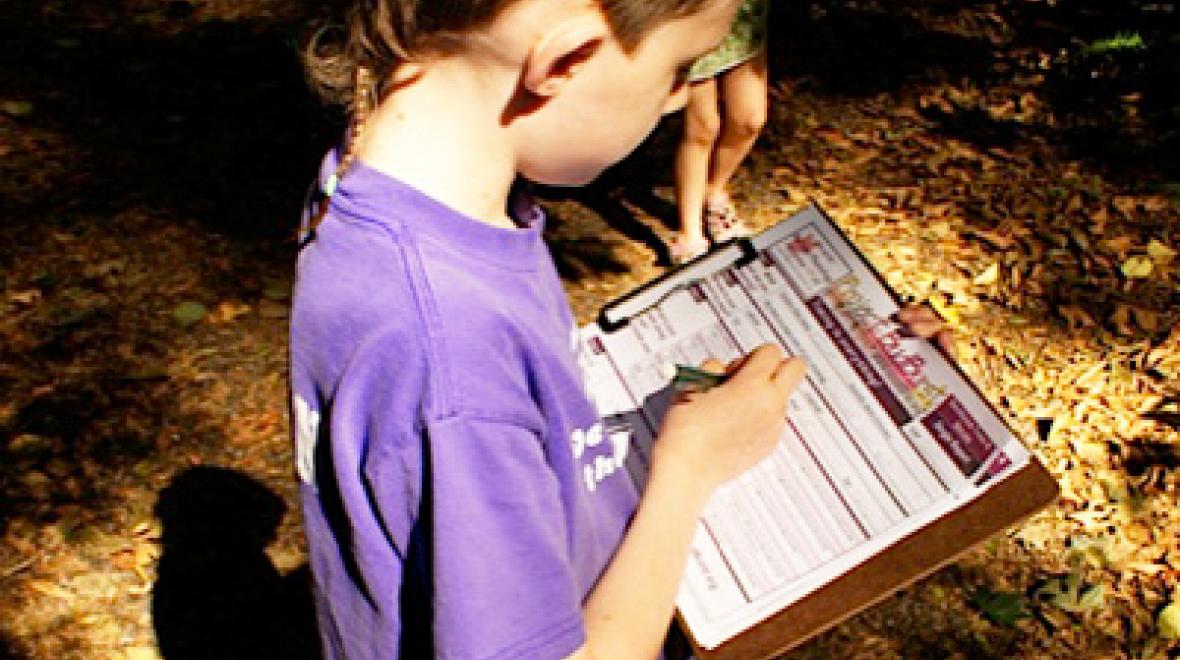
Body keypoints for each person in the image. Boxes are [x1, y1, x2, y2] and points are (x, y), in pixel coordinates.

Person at [289, 1, 951, 658]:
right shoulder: (450, 354)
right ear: (564, 61)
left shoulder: (381, 187)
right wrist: (688, 471)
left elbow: (513, 435)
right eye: (681, 66)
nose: (678, 99)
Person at [669, 0, 770, 263]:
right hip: (697, 16)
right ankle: (689, 231)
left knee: (750, 118)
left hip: (742, 16)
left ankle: (713, 193)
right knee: (703, 126)